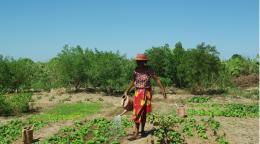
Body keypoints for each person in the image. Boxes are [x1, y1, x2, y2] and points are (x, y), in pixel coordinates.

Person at [124, 53, 167, 139]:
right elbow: (133, 81)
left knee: (143, 112)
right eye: (137, 61)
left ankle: (142, 131)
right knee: (136, 112)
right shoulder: (136, 70)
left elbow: (156, 79)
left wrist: (163, 90)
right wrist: (126, 91)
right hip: (137, 93)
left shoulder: (149, 69)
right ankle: (136, 133)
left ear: (144, 61)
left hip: (146, 92)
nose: (138, 62)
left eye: (140, 61)